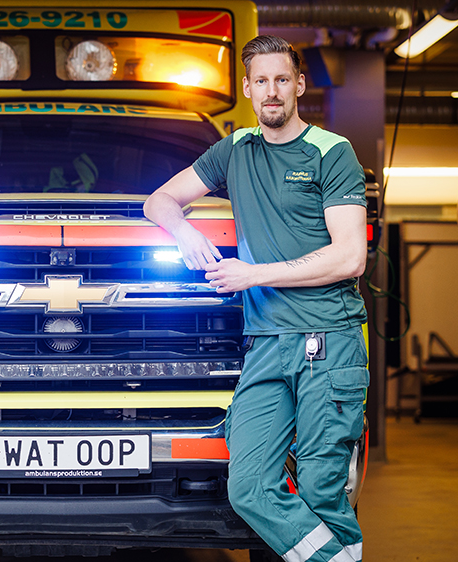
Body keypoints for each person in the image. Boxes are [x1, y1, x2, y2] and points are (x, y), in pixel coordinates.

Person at [144, 35, 369, 562]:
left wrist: (253, 274)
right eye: (262, 81)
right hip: (266, 344)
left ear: (299, 86)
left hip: (328, 344)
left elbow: (350, 258)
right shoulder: (234, 150)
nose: (272, 91)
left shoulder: (331, 152)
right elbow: (159, 200)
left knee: (321, 491)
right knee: (247, 487)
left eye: (282, 80)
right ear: (247, 89)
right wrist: (183, 232)